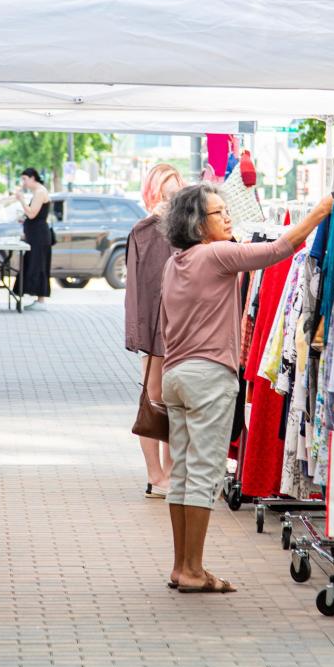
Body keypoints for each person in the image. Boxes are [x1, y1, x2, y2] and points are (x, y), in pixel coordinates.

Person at [159, 184, 333, 593]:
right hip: (208, 377)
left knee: (183, 473)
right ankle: (194, 570)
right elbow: (278, 249)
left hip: (177, 376)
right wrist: (318, 213)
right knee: (204, 475)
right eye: (219, 214)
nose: (228, 218)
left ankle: (180, 566)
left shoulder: (176, 262)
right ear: (198, 225)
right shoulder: (217, 254)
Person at [125, 164, 185, 499]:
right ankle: (155, 474)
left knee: (173, 398)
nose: (172, 192)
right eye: (166, 187)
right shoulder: (144, 230)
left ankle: (172, 472)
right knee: (153, 396)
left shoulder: (188, 226)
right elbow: (137, 286)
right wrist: (139, 332)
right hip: (156, 325)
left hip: (183, 324)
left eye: (176, 186)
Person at [13, 168, 52, 307]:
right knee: (33, 264)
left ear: (32, 178)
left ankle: (41, 300)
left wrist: (22, 200)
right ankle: (38, 298)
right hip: (34, 234)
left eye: (24, 179)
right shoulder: (38, 192)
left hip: (39, 236)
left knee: (39, 265)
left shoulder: (40, 192)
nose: (23, 182)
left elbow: (32, 214)